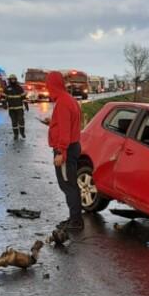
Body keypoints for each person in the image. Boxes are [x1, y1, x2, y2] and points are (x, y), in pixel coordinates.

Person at [46, 71, 83, 231]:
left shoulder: (62, 102)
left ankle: (75, 221)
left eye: (48, 85)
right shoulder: (70, 100)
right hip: (73, 146)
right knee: (70, 184)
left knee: (68, 184)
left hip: (66, 149)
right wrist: (53, 123)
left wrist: (61, 152)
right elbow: (67, 125)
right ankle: (74, 218)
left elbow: (65, 131)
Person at [3, 73, 28, 139]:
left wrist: (26, 105)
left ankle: (22, 133)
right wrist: (4, 104)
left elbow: (23, 97)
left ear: (16, 80)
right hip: (11, 109)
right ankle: (16, 134)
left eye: (14, 79)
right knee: (14, 122)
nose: (13, 80)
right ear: (9, 80)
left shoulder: (19, 88)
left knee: (21, 121)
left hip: (19, 108)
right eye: (11, 79)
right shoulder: (7, 88)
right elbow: (3, 97)